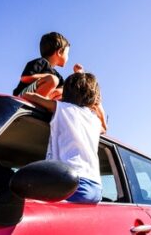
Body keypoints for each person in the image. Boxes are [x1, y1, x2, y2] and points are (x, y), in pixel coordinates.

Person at [23, 72, 107, 203]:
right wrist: (98, 107)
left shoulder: (62, 108)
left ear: (66, 93)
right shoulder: (94, 121)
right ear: (94, 98)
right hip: (95, 187)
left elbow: (29, 96)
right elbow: (104, 128)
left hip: (71, 183)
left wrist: (46, 91)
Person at [13, 32, 72, 100]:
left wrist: (78, 74)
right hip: (24, 95)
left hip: (42, 99)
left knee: (62, 91)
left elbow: (66, 88)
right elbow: (25, 78)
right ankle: (38, 102)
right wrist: (46, 77)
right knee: (53, 79)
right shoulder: (40, 62)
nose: (68, 57)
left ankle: (45, 103)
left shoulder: (56, 74)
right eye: (67, 54)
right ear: (59, 52)